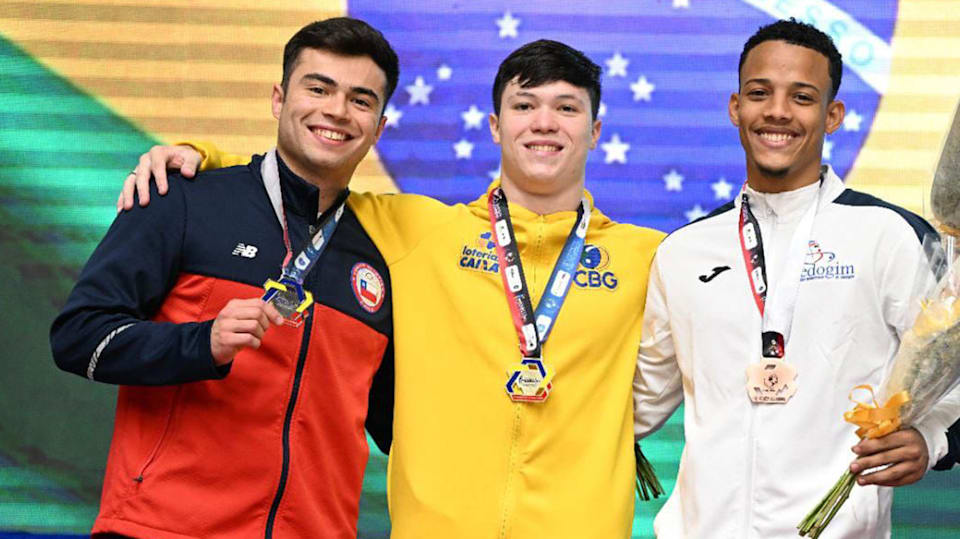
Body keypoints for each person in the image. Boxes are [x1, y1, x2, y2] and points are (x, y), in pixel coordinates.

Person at [119, 40, 665, 537]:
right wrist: (198, 153)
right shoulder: (417, 231)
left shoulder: (652, 258)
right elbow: (298, 172)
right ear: (496, 126)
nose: (544, 123)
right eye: (525, 106)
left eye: (567, 108)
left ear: (595, 130)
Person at [50, 17, 398, 539]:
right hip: (162, 528)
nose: (336, 111)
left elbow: (400, 423)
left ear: (379, 127)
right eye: (318, 88)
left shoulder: (384, 252)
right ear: (279, 99)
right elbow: (77, 337)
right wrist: (201, 341)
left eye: (360, 100)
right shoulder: (183, 198)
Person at [633, 18, 960, 538]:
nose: (778, 112)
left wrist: (936, 439)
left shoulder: (890, 235)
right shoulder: (683, 252)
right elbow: (634, 404)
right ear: (735, 107)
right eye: (760, 93)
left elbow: (951, 371)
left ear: (833, 116)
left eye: (802, 97)